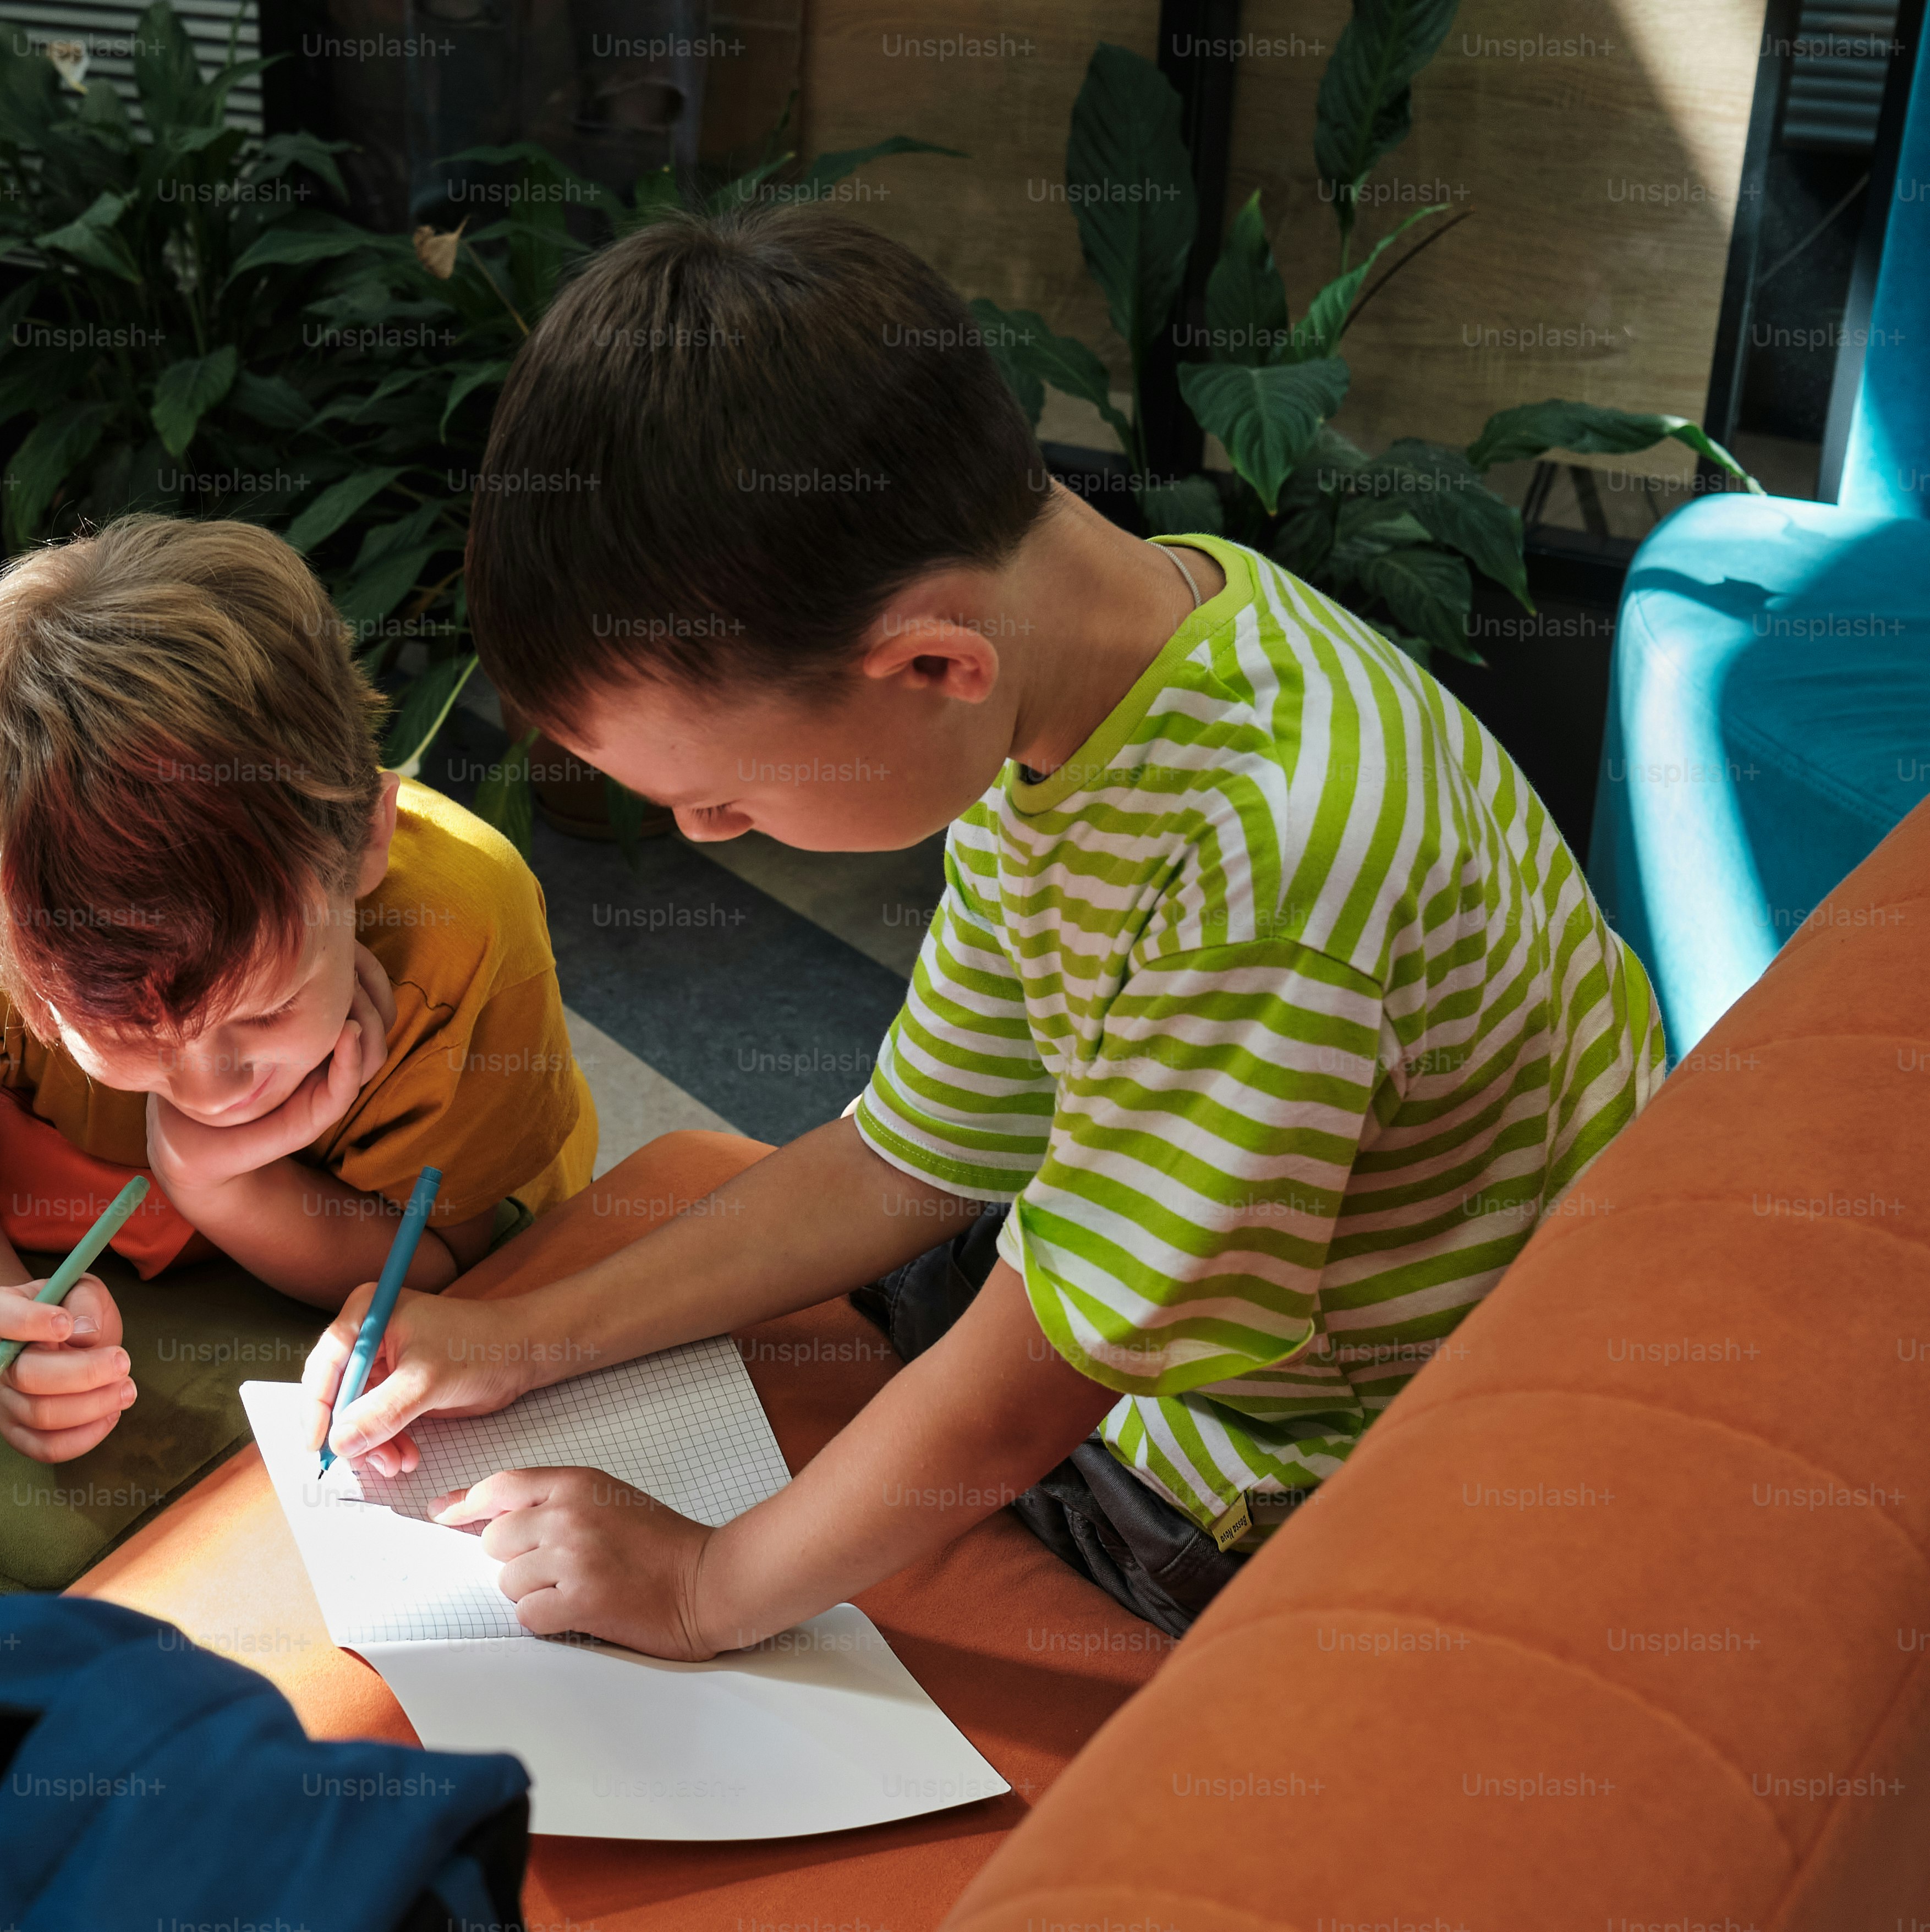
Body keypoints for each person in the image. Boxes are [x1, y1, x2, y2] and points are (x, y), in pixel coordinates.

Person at [309, 206, 1666, 1645]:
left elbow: (1035, 1382)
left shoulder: (1274, 868)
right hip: (1222, 1281)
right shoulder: (1113, 668)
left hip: (1351, 1456)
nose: (707, 841)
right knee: (883, 1271)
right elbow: (914, 1151)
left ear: (930, 662)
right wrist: (516, 1341)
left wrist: (706, 1585)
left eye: (725, 800)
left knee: (924, 1393)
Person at [0, 515, 599, 1462]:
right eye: (123, 1031)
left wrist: (219, 1185)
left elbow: (444, 1271)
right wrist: (2, 1341)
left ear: (368, 842)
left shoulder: (466, 928)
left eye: (264, 1010)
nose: (212, 1088)